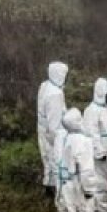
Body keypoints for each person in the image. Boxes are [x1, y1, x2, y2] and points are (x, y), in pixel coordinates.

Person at [53, 109, 98, 212]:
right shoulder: (83, 142)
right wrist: (89, 190)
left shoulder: (61, 138)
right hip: (76, 185)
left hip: (62, 183)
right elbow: (86, 171)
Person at [81, 77, 107, 212]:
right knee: (102, 184)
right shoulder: (91, 111)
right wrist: (99, 152)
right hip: (101, 154)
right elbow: (91, 134)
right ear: (102, 93)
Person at [37, 62, 68, 197]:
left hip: (43, 128)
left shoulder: (45, 85)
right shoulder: (55, 94)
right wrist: (58, 141)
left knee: (47, 159)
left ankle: (48, 185)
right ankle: (58, 192)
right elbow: (54, 122)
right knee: (56, 161)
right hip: (52, 132)